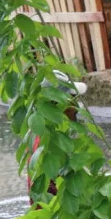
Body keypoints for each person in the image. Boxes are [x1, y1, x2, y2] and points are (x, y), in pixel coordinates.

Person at [28, 71, 86, 204]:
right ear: (58, 104)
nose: (76, 107)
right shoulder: (51, 145)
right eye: (72, 99)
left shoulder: (40, 133)